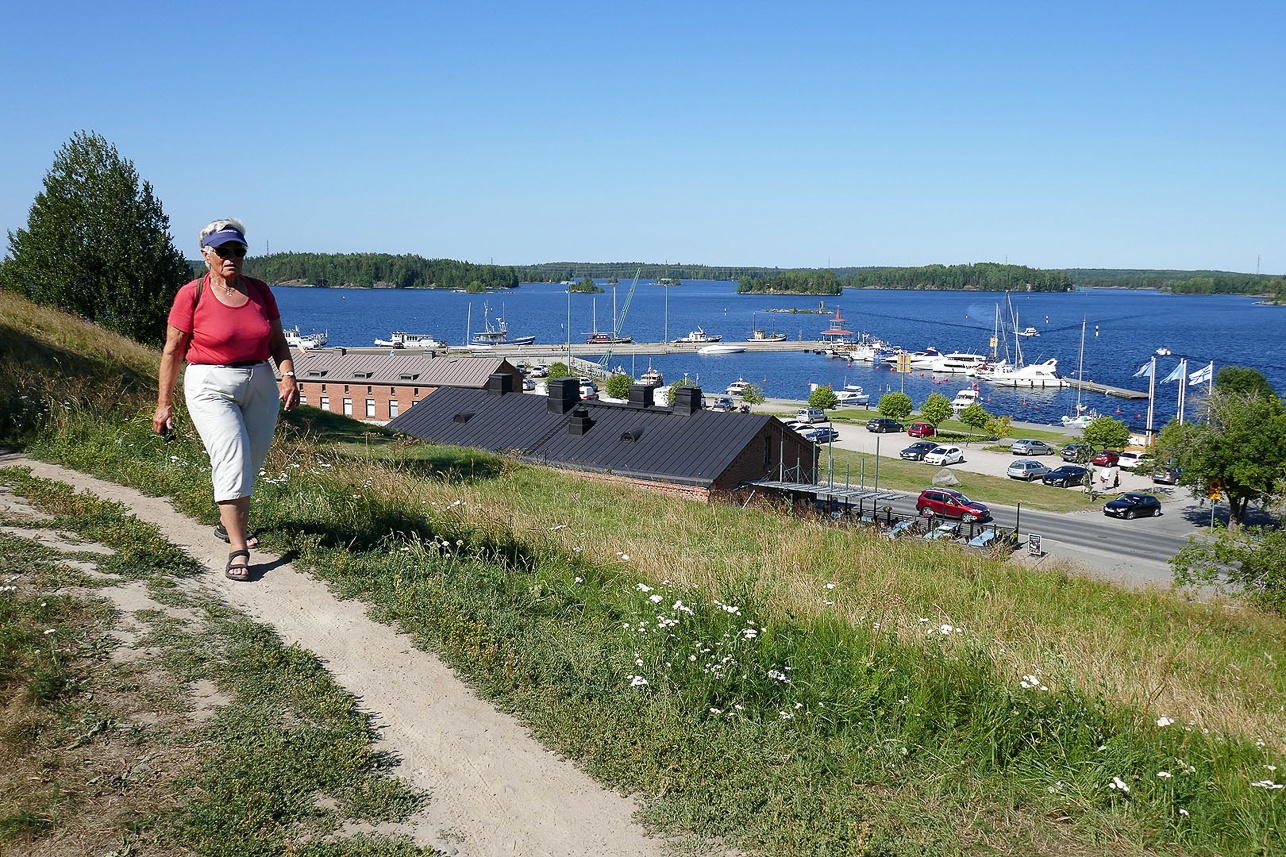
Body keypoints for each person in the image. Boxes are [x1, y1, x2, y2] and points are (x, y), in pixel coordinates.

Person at [153, 219, 299, 580]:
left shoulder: (261, 291)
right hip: (210, 382)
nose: (232, 257)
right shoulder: (192, 293)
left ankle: (225, 521)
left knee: (251, 459)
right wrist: (164, 403)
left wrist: (288, 375)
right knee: (232, 457)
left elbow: (277, 341)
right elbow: (173, 351)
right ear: (206, 255)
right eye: (223, 251)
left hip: (260, 379)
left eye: (238, 250)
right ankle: (237, 547)